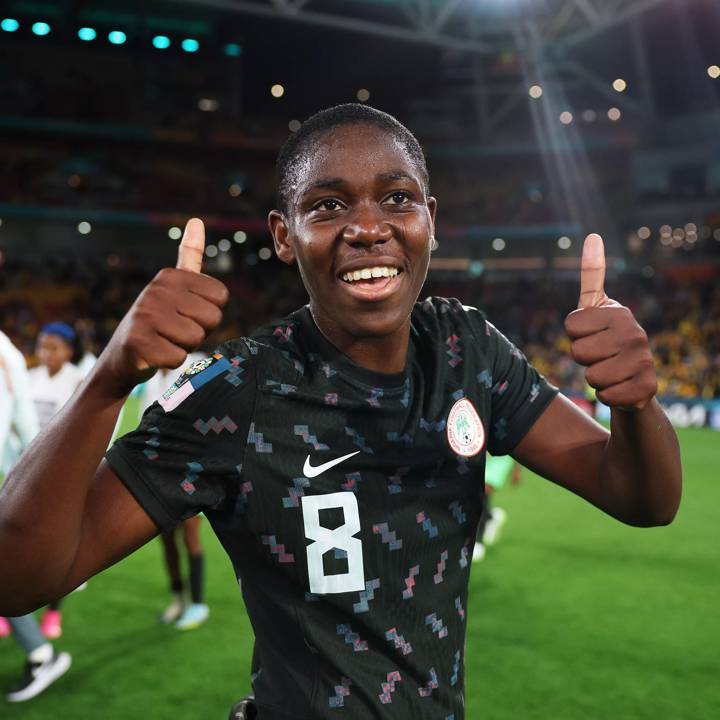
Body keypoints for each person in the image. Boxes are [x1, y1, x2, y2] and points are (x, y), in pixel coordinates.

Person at [0, 104, 681, 719]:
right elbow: (18, 578)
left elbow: (641, 497)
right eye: (327, 206)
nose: (366, 227)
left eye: (397, 198)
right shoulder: (236, 389)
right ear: (284, 235)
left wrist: (638, 405)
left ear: (429, 221)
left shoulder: (466, 349)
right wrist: (108, 381)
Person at [0, 330, 72, 702]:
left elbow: (27, 428)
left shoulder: (7, 355)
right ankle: (40, 652)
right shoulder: (10, 356)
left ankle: (41, 653)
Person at [119, 354, 210, 629]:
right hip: (156, 473)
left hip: (188, 471)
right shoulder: (152, 378)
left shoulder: (198, 367)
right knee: (166, 540)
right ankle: (178, 599)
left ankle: (197, 604)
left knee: (190, 537)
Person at [28, 322, 85, 639]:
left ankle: (52, 612)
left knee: (54, 548)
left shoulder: (78, 381)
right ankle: (13, 611)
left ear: (68, 350)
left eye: (53, 347)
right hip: (25, 473)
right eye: (41, 346)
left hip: (60, 476)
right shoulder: (30, 379)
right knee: (18, 542)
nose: (45, 353)